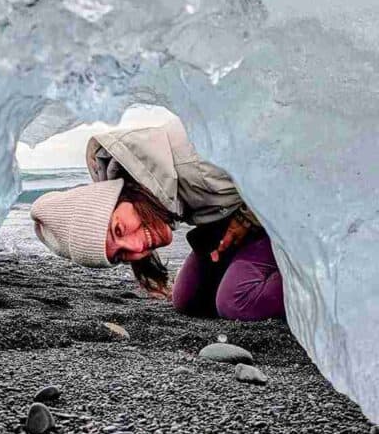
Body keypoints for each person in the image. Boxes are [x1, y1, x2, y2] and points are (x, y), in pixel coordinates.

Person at [30, 117, 285, 321]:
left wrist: (247, 219)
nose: (137, 249)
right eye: (120, 255)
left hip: (287, 208)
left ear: (119, 197)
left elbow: (298, 160)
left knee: (236, 302)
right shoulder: (153, 186)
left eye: (119, 230)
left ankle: (323, 289)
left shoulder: (198, 163)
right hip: (250, 208)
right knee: (188, 299)